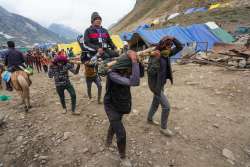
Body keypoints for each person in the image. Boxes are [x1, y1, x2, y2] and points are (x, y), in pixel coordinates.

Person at [104, 50, 140, 166]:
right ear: (124, 66)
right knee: (121, 132)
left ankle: (108, 140)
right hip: (111, 106)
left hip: (121, 104)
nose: (130, 70)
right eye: (129, 67)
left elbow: (141, 74)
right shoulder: (112, 74)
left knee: (115, 123)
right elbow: (135, 82)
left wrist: (138, 62)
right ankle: (123, 157)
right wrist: (134, 61)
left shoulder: (125, 71)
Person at [147, 36, 183, 137]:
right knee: (166, 107)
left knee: (155, 103)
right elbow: (150, 72)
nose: (169, 48)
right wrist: (156, 59)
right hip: (155, 85)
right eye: (167, 46)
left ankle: (149, 119)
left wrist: (174, 38)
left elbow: (180, 47)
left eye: (170, 46)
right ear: (162, 45)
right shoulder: (154, 55)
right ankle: (163, 128)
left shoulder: (166, 54)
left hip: (161, 83)